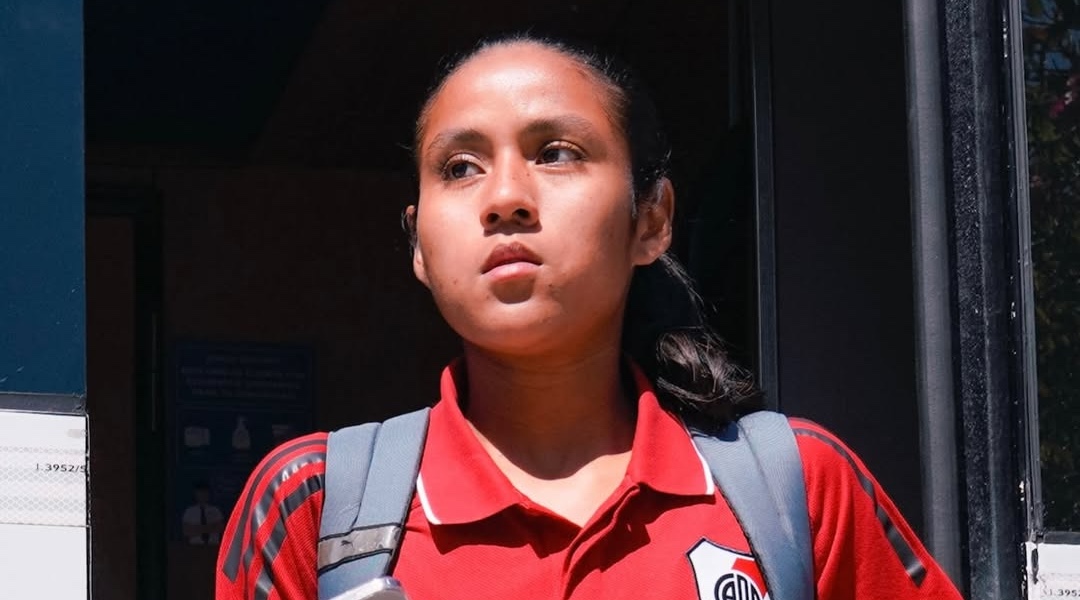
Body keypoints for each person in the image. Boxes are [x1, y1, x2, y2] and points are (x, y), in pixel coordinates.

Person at [216, 34, 963, 599]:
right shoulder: (316, 507)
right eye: (460, 167)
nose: (505, 198)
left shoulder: (797, 489)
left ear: (652, 219)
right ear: (417, 244)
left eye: (556, 153)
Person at [182, 480, 225, 545]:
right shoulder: (189, 511)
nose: (202, 495)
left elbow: (220, 528)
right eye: (200, 492)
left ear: (209, 494)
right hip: (195, 546)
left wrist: (196, 529)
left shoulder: (216, 510)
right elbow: (186, 531)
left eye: (205, 492)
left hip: (213, 545)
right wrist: (211, 527)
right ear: (195, 494)